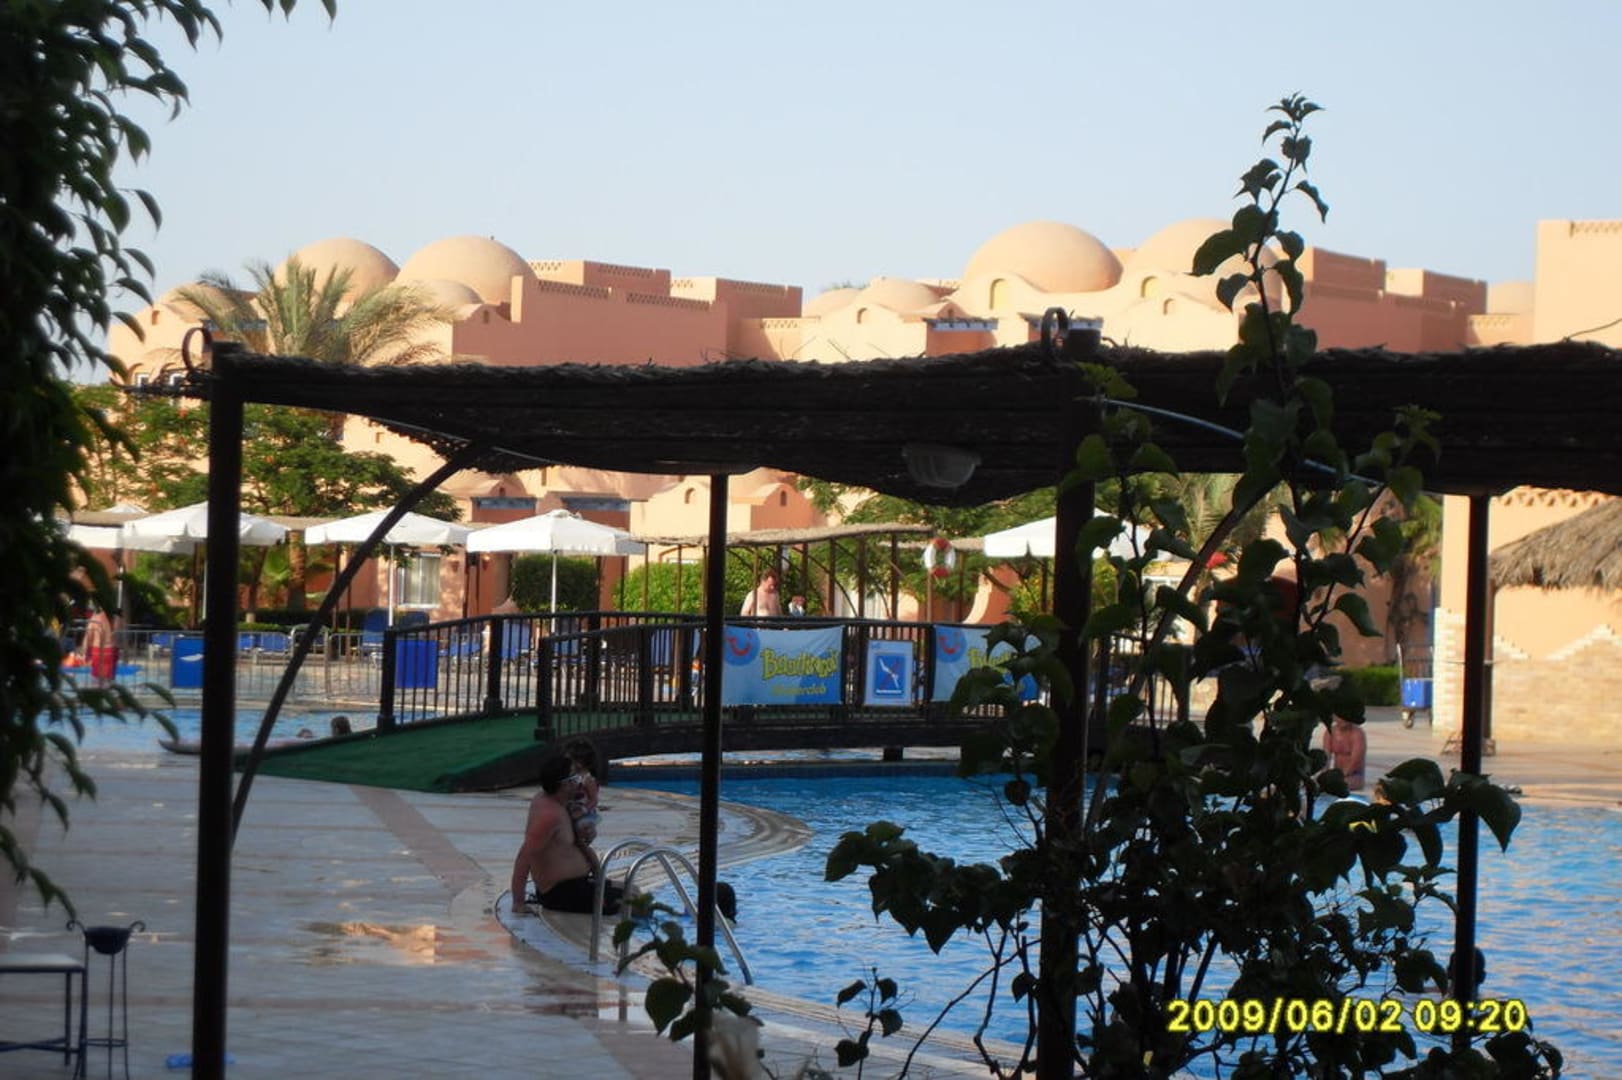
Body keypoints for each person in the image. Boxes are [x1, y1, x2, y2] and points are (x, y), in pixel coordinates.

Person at [511, 755, 622, 915]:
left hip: (575, 884)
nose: (579, 782)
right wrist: (518, 902)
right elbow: (524, 857)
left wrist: (586, 829)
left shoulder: (560, 803)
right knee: (632, 902)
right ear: (564, 785)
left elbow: (572, 838)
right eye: (575, 778)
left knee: (633, 890)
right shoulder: (548, 815)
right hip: (560, 893)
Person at [563, 737, 602, 847]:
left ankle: (589, 854)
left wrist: (582, 811)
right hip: (572, 810)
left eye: (569, 761)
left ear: (579, 763)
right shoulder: (572, 776)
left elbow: (594, 800)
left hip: (585, 814)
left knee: (581, 835)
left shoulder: (588, 779)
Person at [1321, 714, 1368, 792]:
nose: (1342, 720)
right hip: (1336, 773)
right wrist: (1324, 775)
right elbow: (1326, 757)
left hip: (1354, 775)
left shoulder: (1357, 734)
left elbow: (1356, 760)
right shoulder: (1330, 732)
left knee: (1341, 785)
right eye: (1339, 717)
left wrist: (1341, 776)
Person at [83, 604, 117, 687]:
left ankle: (97, 692)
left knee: (96, 680)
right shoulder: (114, 619)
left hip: (98, 650)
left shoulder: (95, 619)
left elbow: (88, 636)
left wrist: (85, 652)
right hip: (110, 650)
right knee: (108, 679)